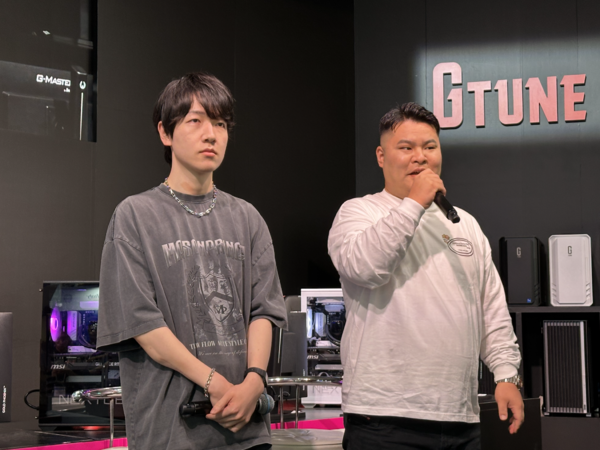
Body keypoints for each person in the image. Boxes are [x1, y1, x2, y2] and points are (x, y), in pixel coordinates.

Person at [97, 72, 287, 450]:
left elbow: (264, 311)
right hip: (170, 432)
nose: (211, 135)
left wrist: (254, 381)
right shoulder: (135, 216)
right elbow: (144, 326)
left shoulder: (248, 218)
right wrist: (215, 383)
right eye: (195, 121)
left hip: (246, 429)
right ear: (165, 133)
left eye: (220, 124)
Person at [327, 102, 524, 449]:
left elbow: (490, 307)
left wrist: (506, 374)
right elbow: (367, 267)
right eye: (406, 148)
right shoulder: (358, 212)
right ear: (381, 156)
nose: (420, 157)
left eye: (430, 147)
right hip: (383, 419)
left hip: (460, 418)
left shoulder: (465, 223)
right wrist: (415, 203)